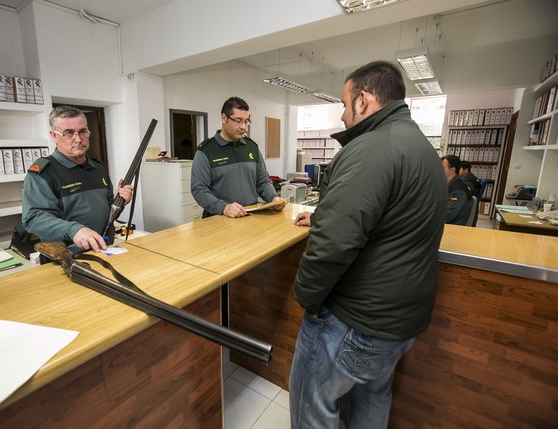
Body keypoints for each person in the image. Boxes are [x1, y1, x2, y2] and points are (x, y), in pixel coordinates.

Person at [290, 61, 447, 429]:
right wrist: (329, 212)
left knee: (311, 404)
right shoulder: (420, 147)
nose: (343, 116)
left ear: (363, 101)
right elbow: (393, 213)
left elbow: (332, 245)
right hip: (401, 322)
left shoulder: (370, 148)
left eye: (344, 105)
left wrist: (307, 299)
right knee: (372, 397)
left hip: (356, 320)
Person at [22, 105, 133, 252]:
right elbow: (34, 218)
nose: (78, 139)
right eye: (68, 133)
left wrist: (118, 201)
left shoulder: (98, 168)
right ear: (54, 136)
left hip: (105, 250)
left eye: (82, 131)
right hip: (66, 258)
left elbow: (102, 210)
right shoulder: (43, 174)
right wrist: (75, 230)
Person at [191, 96, 286, 218]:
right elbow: (199, 189)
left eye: (246, 121)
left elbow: (262, 182)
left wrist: (273, 198)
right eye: (238, 121)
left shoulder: (252, 147)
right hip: (219, 219)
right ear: (224, 118)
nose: (243, 127)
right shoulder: (206, 151)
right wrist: (224, 207)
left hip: (250, 217)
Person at [442, 154, 473, 225]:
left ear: (452, 170)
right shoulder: (451, 185)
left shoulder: (458, 189)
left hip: (452, 228)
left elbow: (448, 215)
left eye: (442, 168)